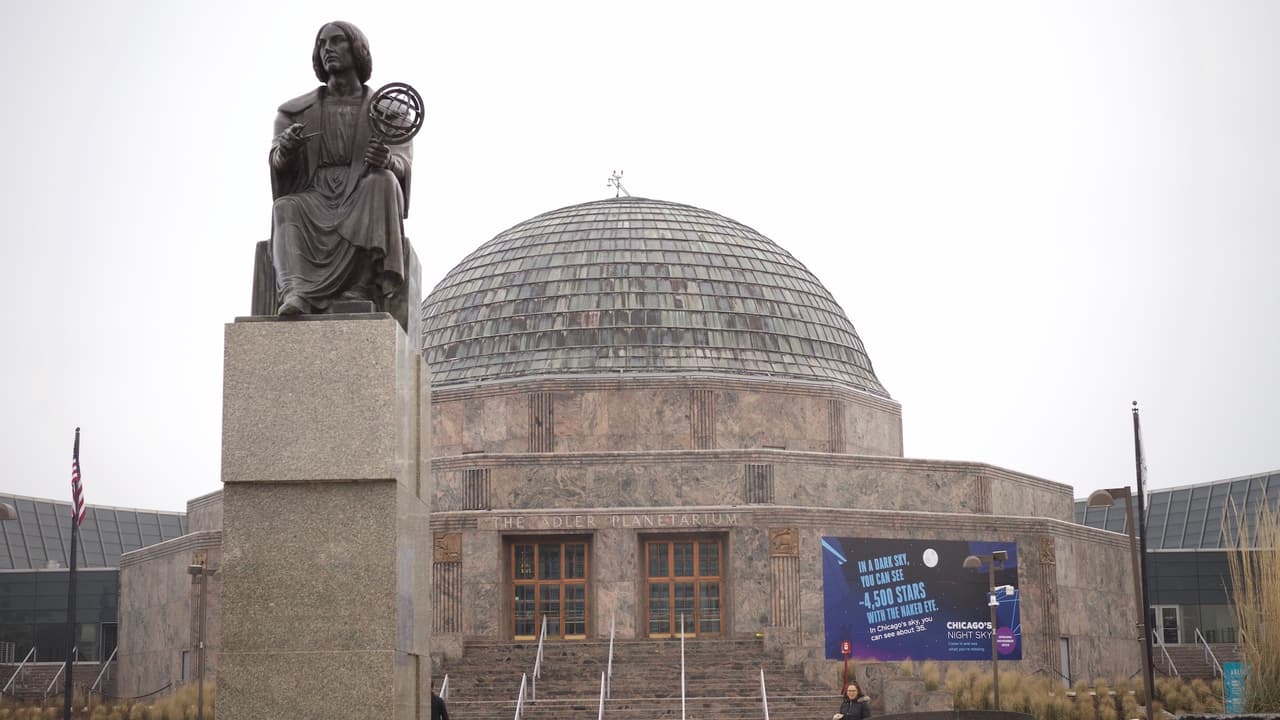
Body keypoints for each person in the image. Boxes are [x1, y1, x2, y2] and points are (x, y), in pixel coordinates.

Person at [269, 21, 413, 317]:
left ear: (357, 50)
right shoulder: (294, 112)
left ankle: (360, 285)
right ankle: (294, 292)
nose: (327, 49)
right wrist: (286, 150)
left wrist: (385, 159)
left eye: (336, 42)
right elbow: (278, 164)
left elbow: (402, 162)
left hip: (361, 190)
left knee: (382, 181)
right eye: (322, 44)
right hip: (317, 193)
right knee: (285, 207)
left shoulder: (388, 111)